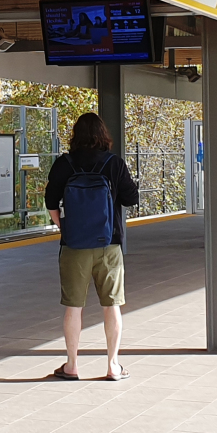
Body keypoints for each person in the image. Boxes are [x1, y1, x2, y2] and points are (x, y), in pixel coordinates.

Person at [44, 112, 139, 381]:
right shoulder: (114, 163)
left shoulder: (65, 163)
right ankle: (113, 366)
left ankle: (72, 365)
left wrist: (64, 227)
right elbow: (131, 198)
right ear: (103, 135)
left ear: (76, 135)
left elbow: (51, 200)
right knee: (112, 306)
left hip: (74, 245)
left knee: (74, 306)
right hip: (109, 244)